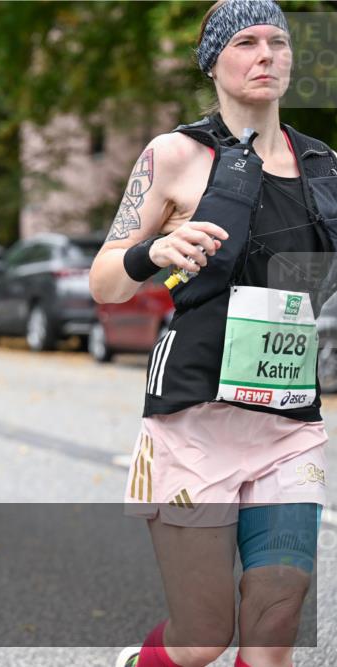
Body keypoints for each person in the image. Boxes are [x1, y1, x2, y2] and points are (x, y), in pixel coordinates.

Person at [89, 3, 337, 666]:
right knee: (202, 638)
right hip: (194, 420)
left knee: (277, 617)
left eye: (278, 41)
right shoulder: (174, 155)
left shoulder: (324, 165)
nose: (266, 55)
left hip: (288, 424)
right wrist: (155, 251)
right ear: (213, 62)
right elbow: (105, 283)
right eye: (246, 42)